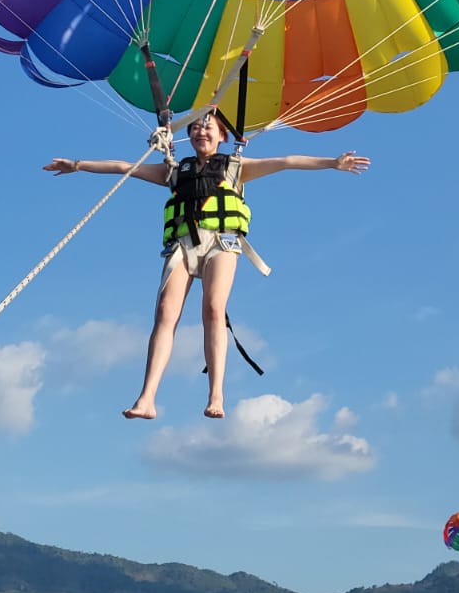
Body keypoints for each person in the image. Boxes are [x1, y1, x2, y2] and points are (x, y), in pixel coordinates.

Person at [44, 111, 370, 421]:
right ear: (189, 135)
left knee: (213, 309)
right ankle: (146, 398)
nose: (201, 130)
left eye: (208, 126)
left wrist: (332, 163)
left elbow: (286, 162)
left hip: (221, 243)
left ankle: (216, 395)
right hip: (183, 245)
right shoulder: (174, 171)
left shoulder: (235, 167)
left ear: (221, 135)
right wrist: (77, 165)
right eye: (196, 127)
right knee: (164, 315)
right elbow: (123, 167)